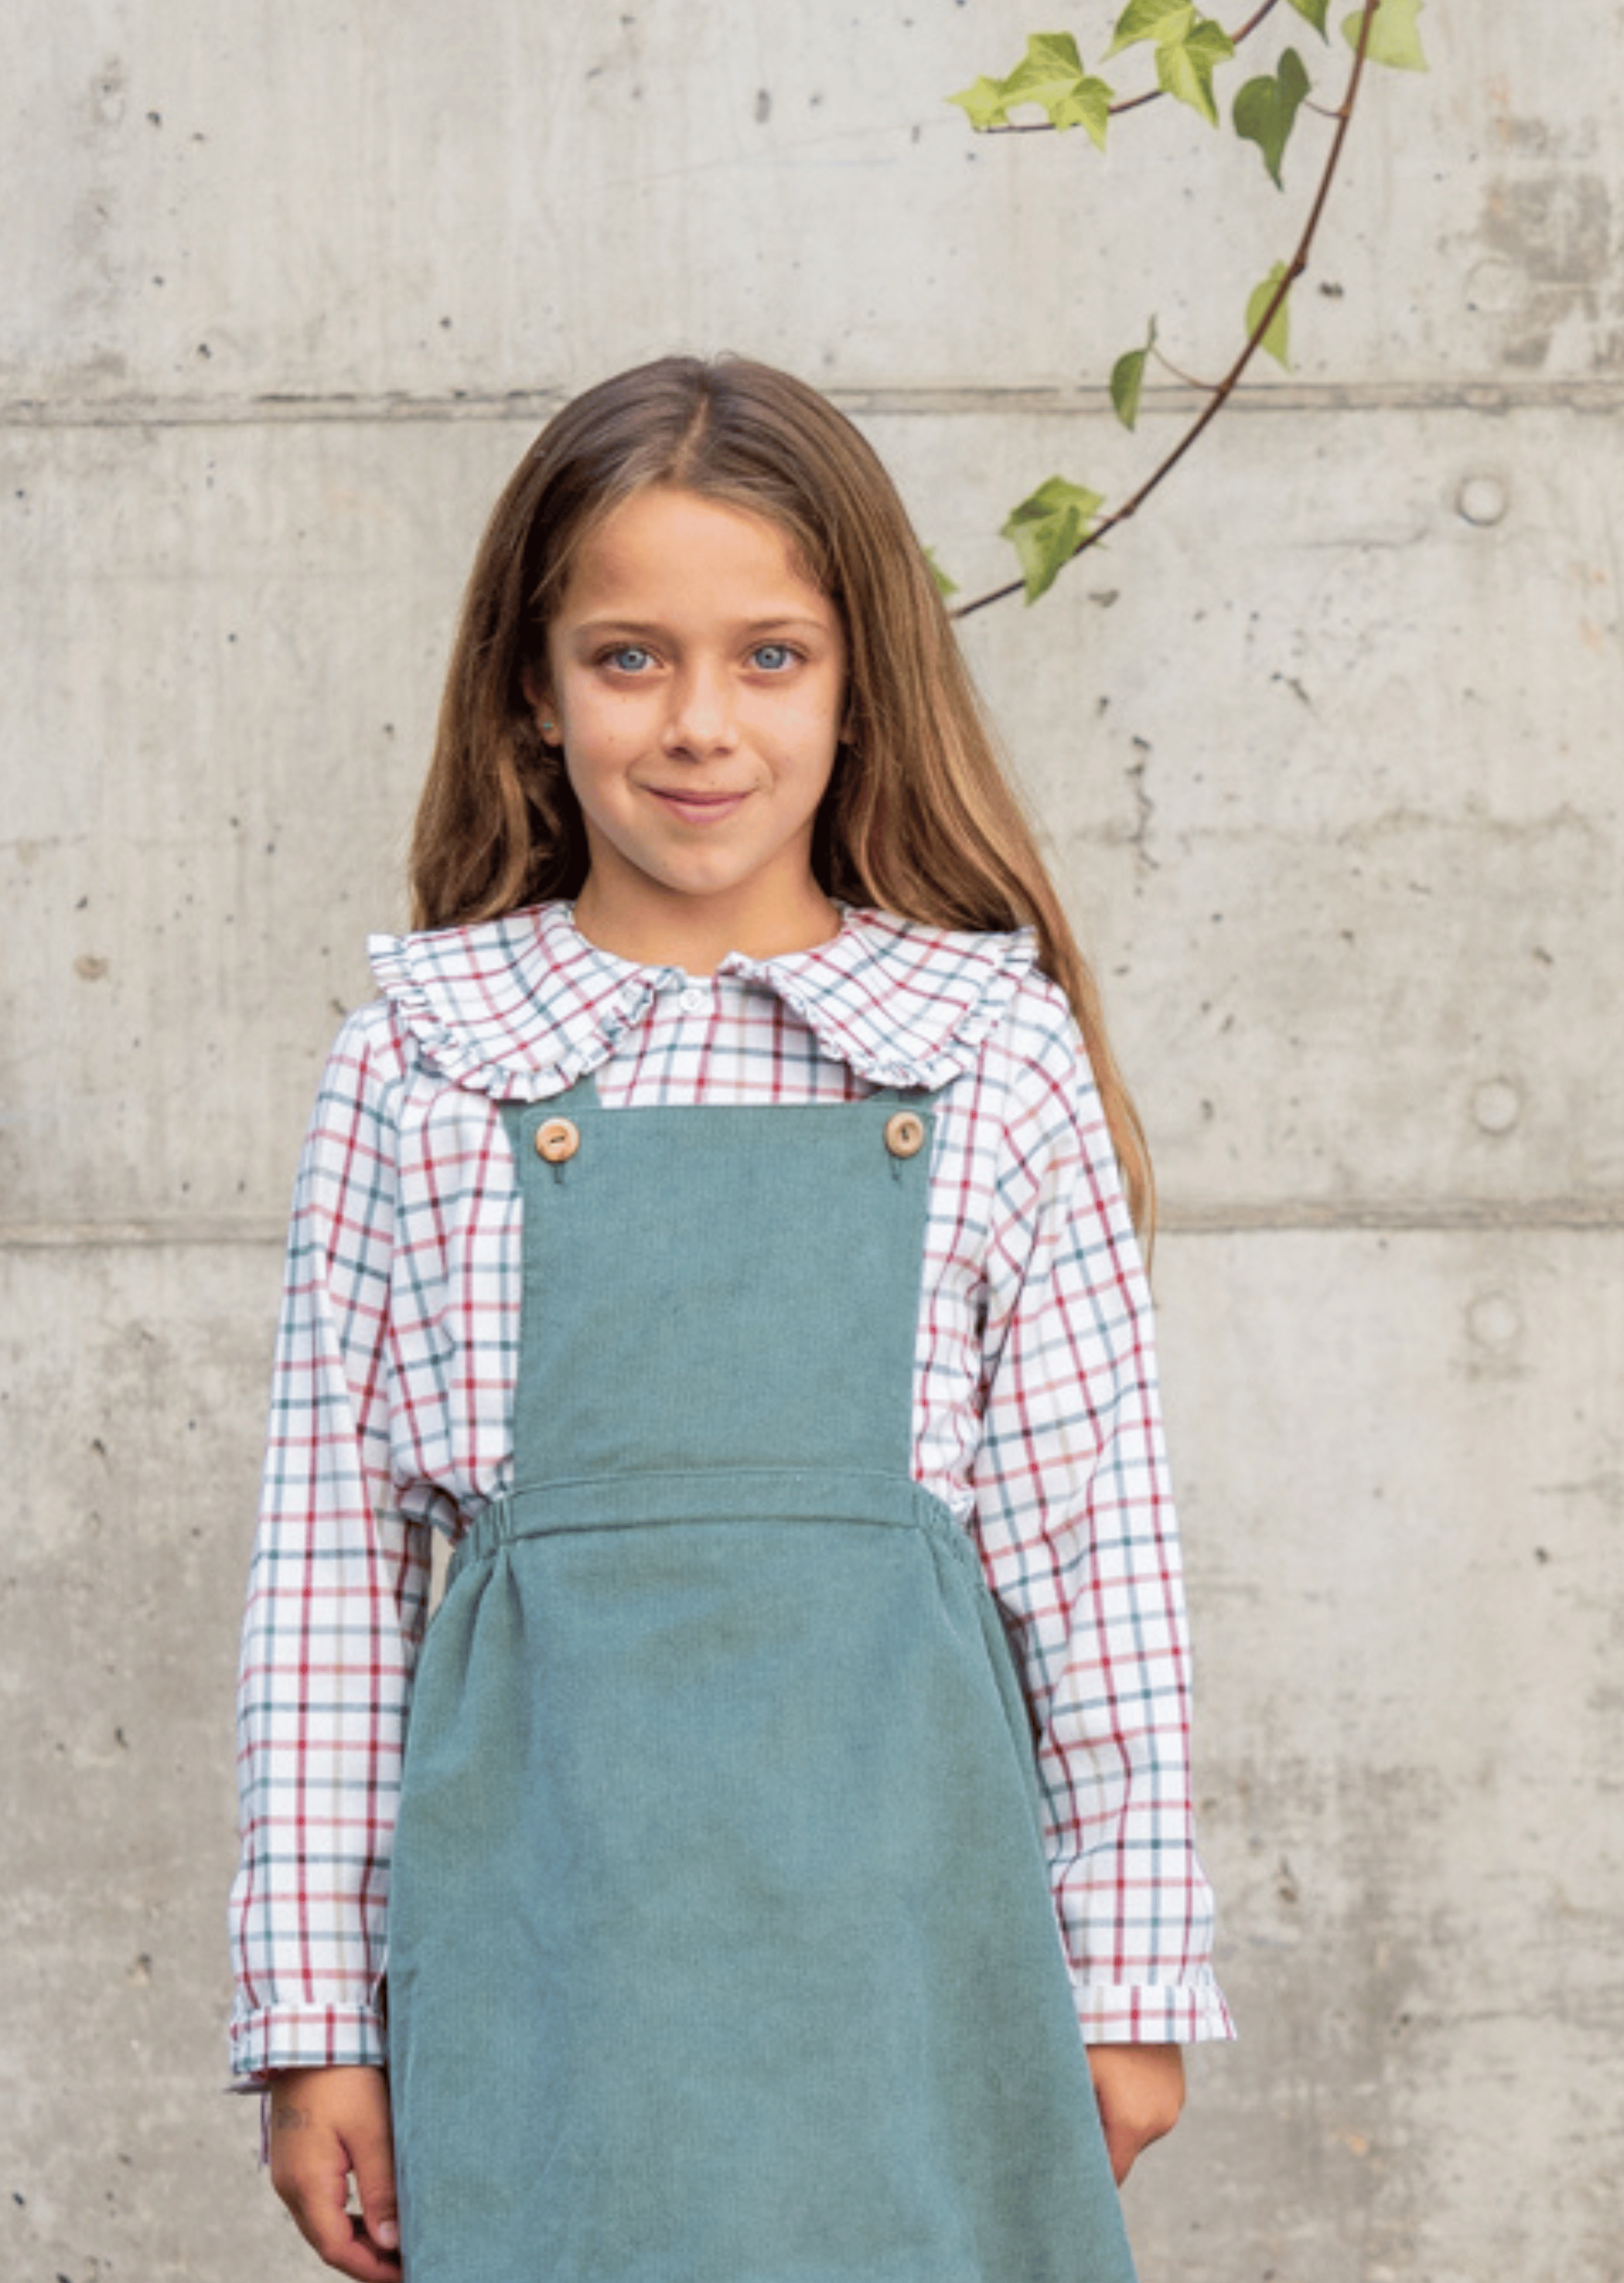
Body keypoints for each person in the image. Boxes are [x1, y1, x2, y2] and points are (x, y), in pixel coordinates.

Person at [228, 353, 1233, 2283]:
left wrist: (1127, 1972)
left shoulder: (990, 1060)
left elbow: (1098, 1554)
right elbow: (332, 1581)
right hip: (545, 1957)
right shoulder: (421, 1066)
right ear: (533, 685)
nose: (701, 724)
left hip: (913, 1957)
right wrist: (313, 2020)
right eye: (630, 658)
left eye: (770, 655)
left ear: (860, 685)